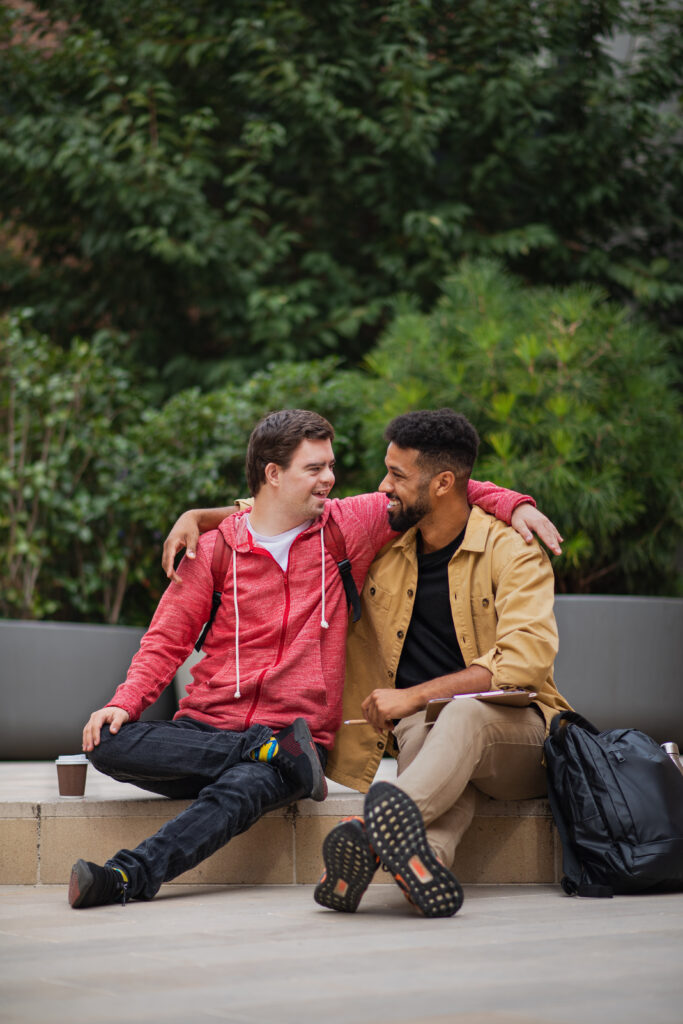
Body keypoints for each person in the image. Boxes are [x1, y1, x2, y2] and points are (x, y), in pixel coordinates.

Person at [70, 408, 551, 909]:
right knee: (106, 740)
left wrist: (513, 503)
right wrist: (124, 703)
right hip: (210, 732)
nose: (330, 479)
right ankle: (264, 751)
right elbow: (166, 641)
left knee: (242, 791)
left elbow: (439, 488)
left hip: (298, 735)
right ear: (273, 474)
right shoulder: (213, 549)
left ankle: (125, 876)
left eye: (330, 466)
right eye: (315, 468)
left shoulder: (347, 526)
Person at [314, 409, 572, 918]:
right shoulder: (387, 549)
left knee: (462, 713)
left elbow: (523, 663)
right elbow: (289, 516)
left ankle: (371, 833)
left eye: (397, 475)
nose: (383, 486)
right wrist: (199, 518)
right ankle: (426, 862)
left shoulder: (513, 551)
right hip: (431, 735)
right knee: (424, 731)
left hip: (522, 740)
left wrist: (412, 695)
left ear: (443, 484)